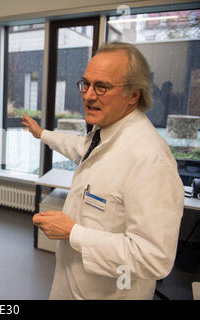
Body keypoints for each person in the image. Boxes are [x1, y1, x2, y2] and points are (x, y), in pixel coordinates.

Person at [22, 42, 184, 300]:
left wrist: (73, 233)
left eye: (102, 87)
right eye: (85, 84)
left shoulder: (150, 159)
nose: (87, 95)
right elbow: (80, 150)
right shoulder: (104, 132)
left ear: (134, 95)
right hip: (72, 286)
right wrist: (42, 134)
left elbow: (154, 258)